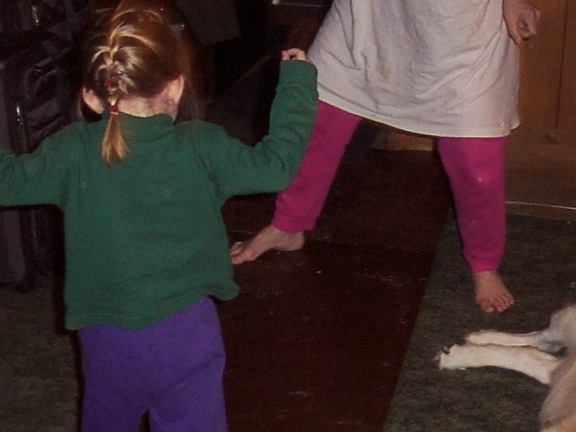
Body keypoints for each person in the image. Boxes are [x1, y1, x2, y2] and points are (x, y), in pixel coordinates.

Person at [0, 1, 317, 430]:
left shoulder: (71, 151)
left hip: (108, 333)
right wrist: (296, 85)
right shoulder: (201, 145)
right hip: (188, 330)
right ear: (176, 86)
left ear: (92, 96)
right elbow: (277, 165)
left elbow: (7, 180)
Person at [230, 0, 541, 313]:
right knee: (319, 118)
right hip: (370, 17)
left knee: (475, 159)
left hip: (464, 30)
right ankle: (289, 224)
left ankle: (484, 262)